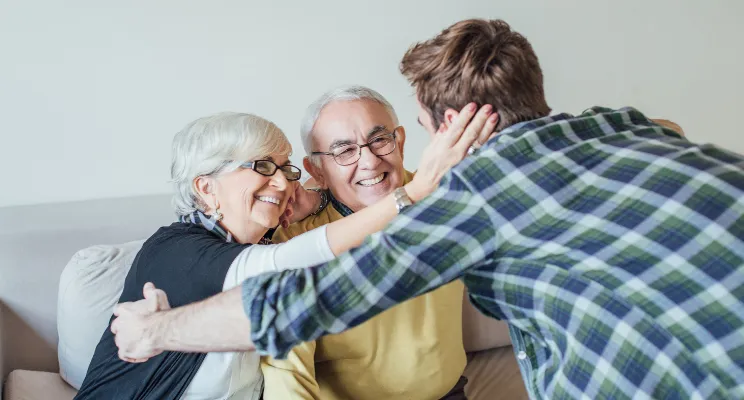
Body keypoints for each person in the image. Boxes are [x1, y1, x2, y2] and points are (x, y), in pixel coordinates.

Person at [111, 19, 744, 399]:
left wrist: (155, 331)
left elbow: (302, 300)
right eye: (343, 149)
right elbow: (287, 296)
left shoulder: (467, 198)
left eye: (394, 132)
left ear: (453, 129)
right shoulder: (625, 125)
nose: (370, 159)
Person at [74, 108, 494, 399]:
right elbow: (287, 264)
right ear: (205, 188)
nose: (279, 183)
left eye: (284, 168)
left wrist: (313, 197)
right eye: (261, 166)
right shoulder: (174, 251)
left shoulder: (268, 238)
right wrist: (414, 192)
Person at [262, 85, 510, 400]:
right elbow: (286, 368)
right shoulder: (297, 241)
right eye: (344, 150)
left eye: (379, 140)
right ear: (316, 169)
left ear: (400, 141)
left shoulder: (447, 198)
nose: (368, 161)